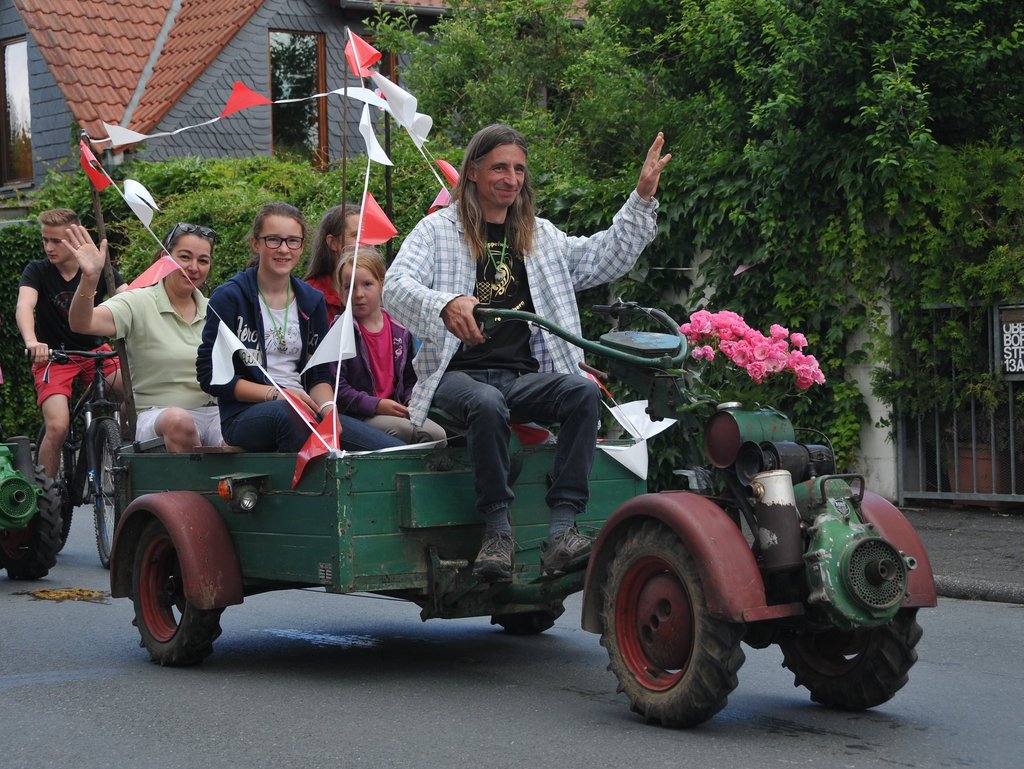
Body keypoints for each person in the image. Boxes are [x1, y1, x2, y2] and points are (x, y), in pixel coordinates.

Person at [384, 124, 671, 581]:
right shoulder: (437, 231)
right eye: (499, 167)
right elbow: (394, 288)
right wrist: (444, 304)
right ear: (473, 171)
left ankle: (561, 531)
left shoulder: (540, 236)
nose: (511, 178)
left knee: (581, 391)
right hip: (455, 376)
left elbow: (606, 257)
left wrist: (640, 198)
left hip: (519, 377)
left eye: (518, 169)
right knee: (486, 402)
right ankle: (497, 532)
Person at [196, 202, 402, 453]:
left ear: (302, 246)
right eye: (273, 240)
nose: (284, 249)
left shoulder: (310, 299)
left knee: (390, 449)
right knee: (289, 415)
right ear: (255, 243)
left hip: (306, 408)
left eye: (293, 241)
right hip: (247, 413)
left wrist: (328, 408)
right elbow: (210, 375)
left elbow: (318, 375)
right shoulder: (229, 298)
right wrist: (277, 394)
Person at [65, 222, 223, 452]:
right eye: (185, 257)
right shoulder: (137, 302)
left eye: (203, 261)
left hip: (214, 411)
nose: (193, 268)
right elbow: (82, 322)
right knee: (180, 422)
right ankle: (189, 487)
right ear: (165, 257)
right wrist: (90, 278)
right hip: (158, 414)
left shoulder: (215, 309)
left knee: (247, 426)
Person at [16, 208, 126, 481]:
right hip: (54, 356)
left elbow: (130, 299)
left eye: (56, 241)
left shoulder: (100, 270)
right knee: (57, 427)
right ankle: (46, 496)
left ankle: (119, 448)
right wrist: (33, 341)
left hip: (96, 354)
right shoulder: (37, 271)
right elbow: (24, 305)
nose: (49, 247)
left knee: (136, 394)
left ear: (75, 239)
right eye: (46, 240)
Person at [332, 245, 447, 446]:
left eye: (367, 284)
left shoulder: (400, 329)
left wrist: (412, 400)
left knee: (437, 434)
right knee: (400, 431)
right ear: (340, 291)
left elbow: (412, 377)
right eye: (349, 286)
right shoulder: (340, 331)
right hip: (359, 414)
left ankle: (426, 474)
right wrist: (377, 405)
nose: (358, 294)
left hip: (396, 408)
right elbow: (337, 390)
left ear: (382, 284)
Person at [305, 203, 359, 323]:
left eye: (368, 235)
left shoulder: (381, 290)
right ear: (333, 243)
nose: (366, 242)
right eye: (357, 235)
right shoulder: (309, 295)